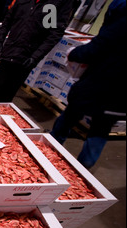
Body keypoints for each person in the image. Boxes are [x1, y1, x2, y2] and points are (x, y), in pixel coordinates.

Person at [50, 0, 126, 169]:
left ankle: (49, 151)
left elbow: (98, 47)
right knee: (101, 130)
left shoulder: (121, 20)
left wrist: (74, 53)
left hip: (101, 84)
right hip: (120, 98)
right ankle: (82, 171)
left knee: (69, 116)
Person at [0, 0, 75, 102]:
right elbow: (8, 19)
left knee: (9, 92)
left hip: (26, 56)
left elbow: (54, 33)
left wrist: (35, 56)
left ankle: (1, 113)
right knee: (0, 86)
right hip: (10, 49)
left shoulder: (55, 4)